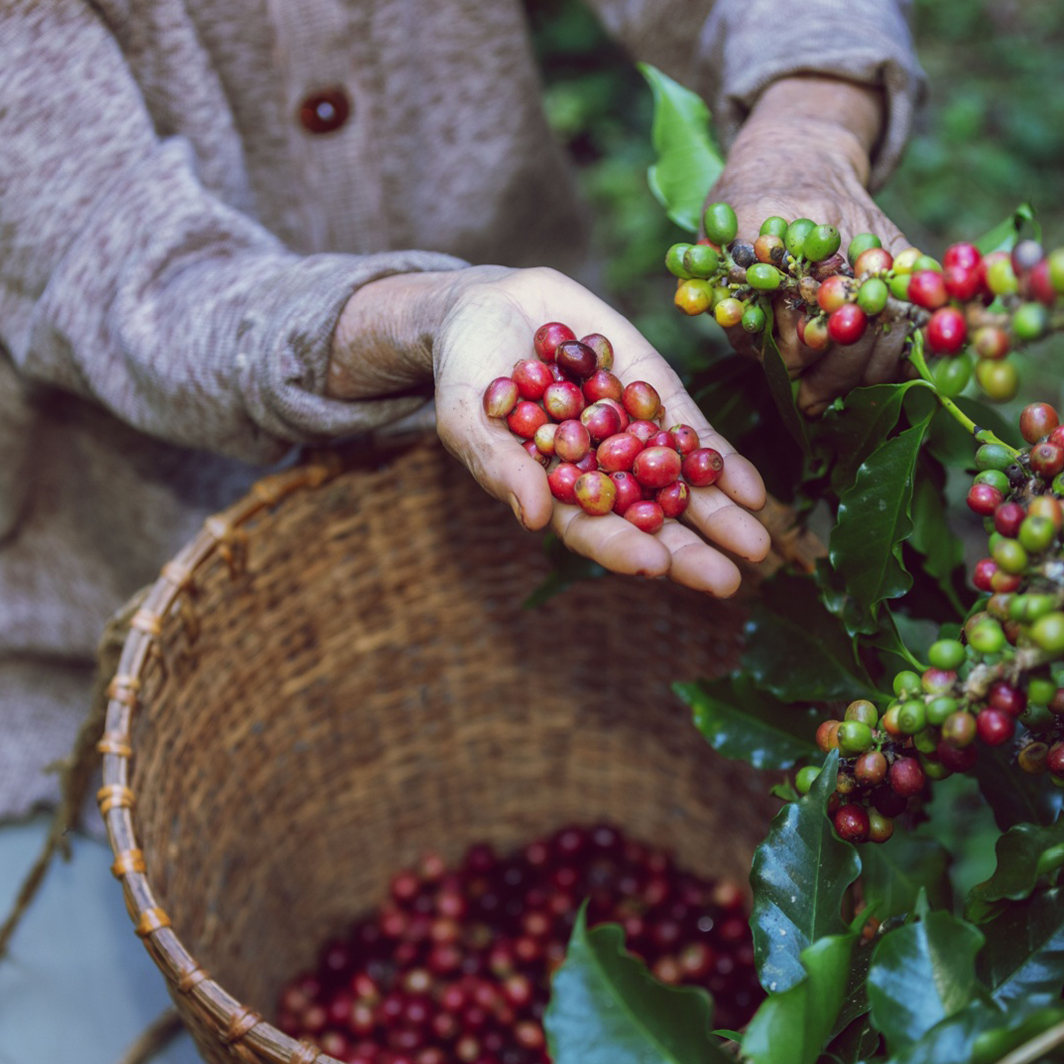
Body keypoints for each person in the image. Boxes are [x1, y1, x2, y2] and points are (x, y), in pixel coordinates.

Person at [0, 0, 924, 821]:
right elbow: (121, 268)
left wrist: (807, 131)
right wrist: (424, 319)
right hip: (107, 584)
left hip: (508, 521)